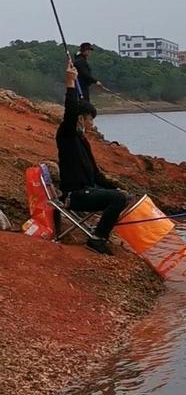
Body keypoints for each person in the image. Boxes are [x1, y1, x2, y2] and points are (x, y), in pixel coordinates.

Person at [56, 60, 128, 255]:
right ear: (81, 118)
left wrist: (116, 187)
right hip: (75, 196)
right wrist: (70, 82)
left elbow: (96, 175)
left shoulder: (82, 140)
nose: (91, 125)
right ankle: (97, 239)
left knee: (121, 196)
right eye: (89, 120)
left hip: (87, 190)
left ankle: (101, 235)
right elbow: (70, 111)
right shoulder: (67, 134)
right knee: (116, 200)